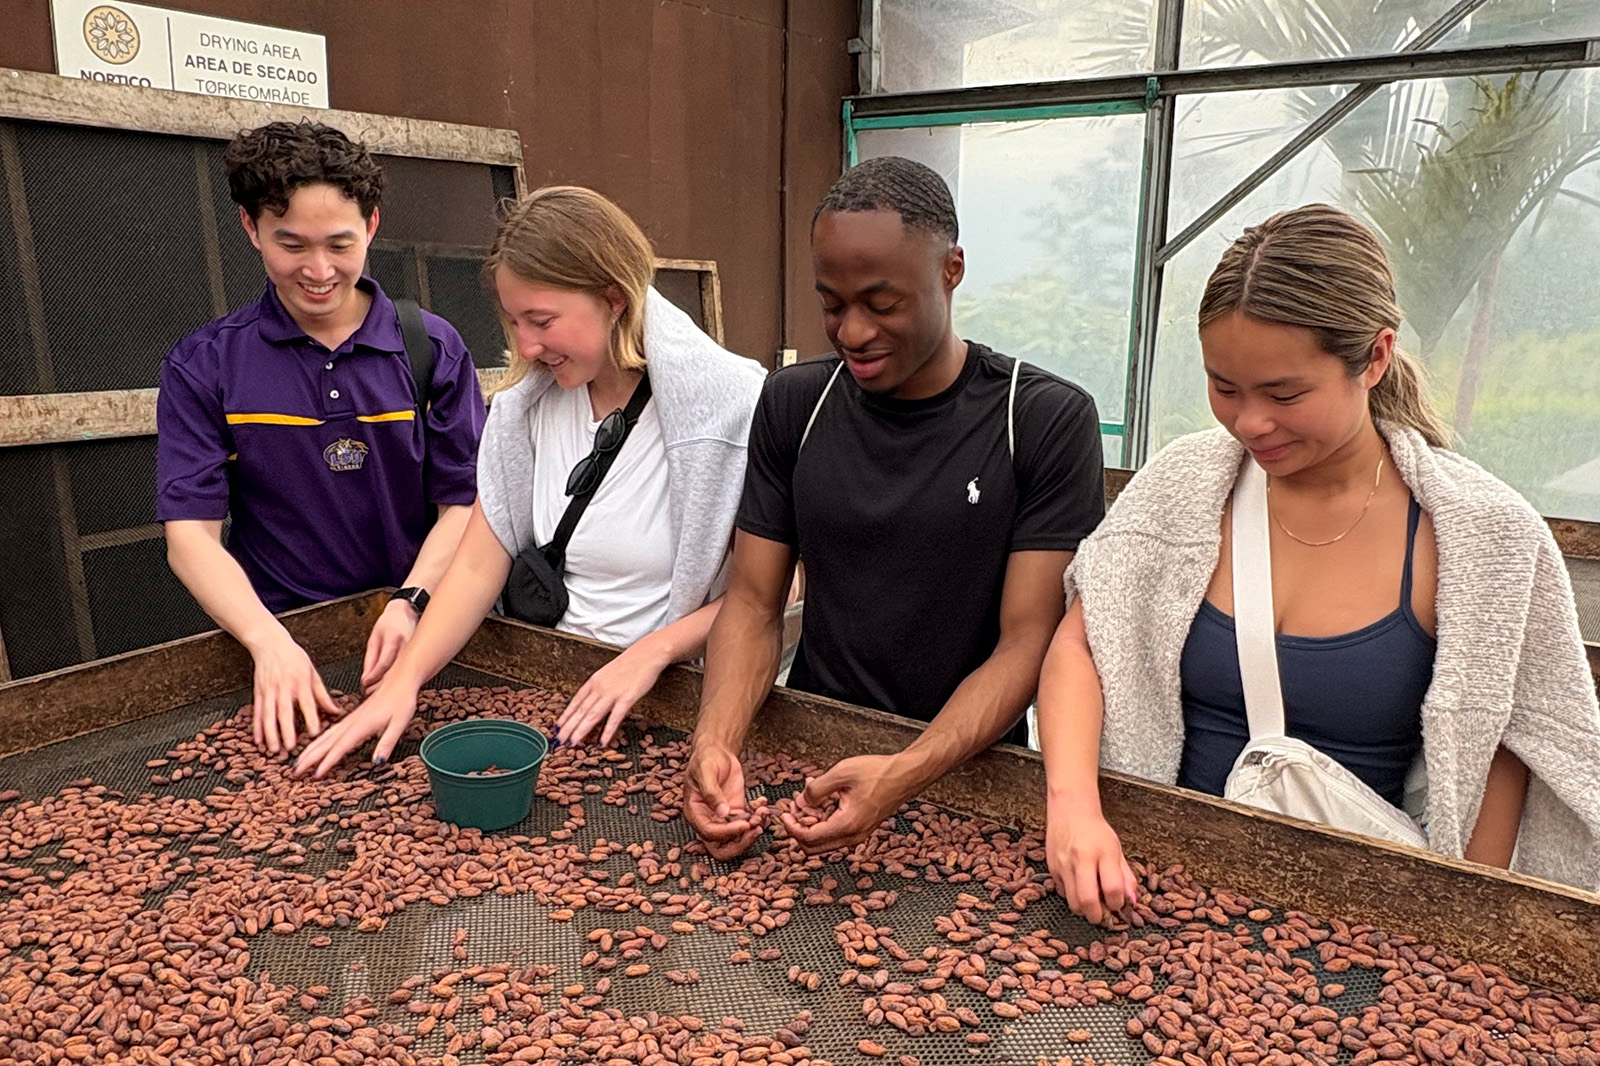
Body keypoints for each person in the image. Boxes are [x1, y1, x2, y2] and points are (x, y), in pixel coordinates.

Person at [1038, 203, 1600, 919]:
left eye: (1284, 394)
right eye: (1224, 387)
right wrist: (1076, 810)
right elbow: (1082, 646)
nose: (1250, 423)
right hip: (1148, 891)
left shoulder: (1482, 537)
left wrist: (1454, 925)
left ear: (1374, 357)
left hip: (1354, 927)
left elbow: (1511, 744)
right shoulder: (1183, 489)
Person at [683, 156, 1106, 860]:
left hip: (971, 775)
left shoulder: (1037, 419)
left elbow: (1026, 642)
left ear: (951, 269)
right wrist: (718, 738)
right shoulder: (795, 403)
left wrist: (904, 775)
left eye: (882, 304)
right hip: (813, 754)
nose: (851, 331)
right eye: (831, 303)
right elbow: (754, 602)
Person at [294, 185, 766, 777]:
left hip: (670, 709)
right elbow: (475, 564)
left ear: (614, 298)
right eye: (514, 321)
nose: (525, 345)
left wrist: (655, 652)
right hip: (551, 698)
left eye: (542, 321)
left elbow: (772, 592)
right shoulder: (526, 412)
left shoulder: (733, 409)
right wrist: (405, 680)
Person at [157, 121, 485, 756]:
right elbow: (189, 536)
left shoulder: (432, 347)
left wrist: (411, 602)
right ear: (251, 229)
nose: (318, 270)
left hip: (422, 633)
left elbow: (466, 506)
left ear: (371, 226)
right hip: (281, 638)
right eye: (291, 244)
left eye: (339, 243)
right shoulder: (207, 364)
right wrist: (266, 641)